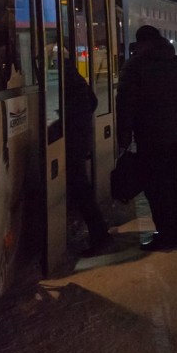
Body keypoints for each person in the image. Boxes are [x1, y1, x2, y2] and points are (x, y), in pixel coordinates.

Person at [115, 25, 177, 250]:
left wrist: (123, 140)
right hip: (173, 136)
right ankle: (174, 227)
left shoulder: (135, 66)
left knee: (155, 187)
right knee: (170, 184)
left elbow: (125, 106)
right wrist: (172, 106)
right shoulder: (176, 62)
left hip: (149, 137)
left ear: (141, 42)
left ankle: (166, 234)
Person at [64, 55, 110, 255]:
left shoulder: (67, 84)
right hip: (81, 140)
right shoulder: (78, 81)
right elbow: (93, 102)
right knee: (82, 188)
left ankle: (99, 235)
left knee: (81, 190)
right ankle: (99, 232)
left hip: (74, 142)